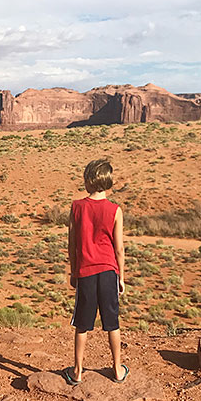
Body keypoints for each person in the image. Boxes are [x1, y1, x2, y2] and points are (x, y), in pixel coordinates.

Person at [65, 158, 127, 385]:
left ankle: (78, 371)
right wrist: (121, 276)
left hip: (86, 272)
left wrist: (73, 272)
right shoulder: (115, 210)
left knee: (82, 324)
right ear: (108, 182)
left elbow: (72, 244)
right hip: (109, 271)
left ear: (88, 180)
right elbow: (119, 249)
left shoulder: (77, 207)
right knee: (112, 322)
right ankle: (118, 369)